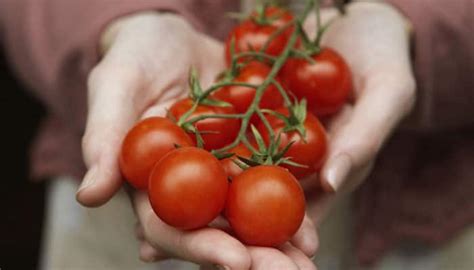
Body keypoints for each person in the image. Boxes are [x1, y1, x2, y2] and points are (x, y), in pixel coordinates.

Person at [0, 0, 472, 269]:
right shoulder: (235, 128)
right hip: (108, 243)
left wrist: (414, 22)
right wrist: (119, 22)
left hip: (425, 230)